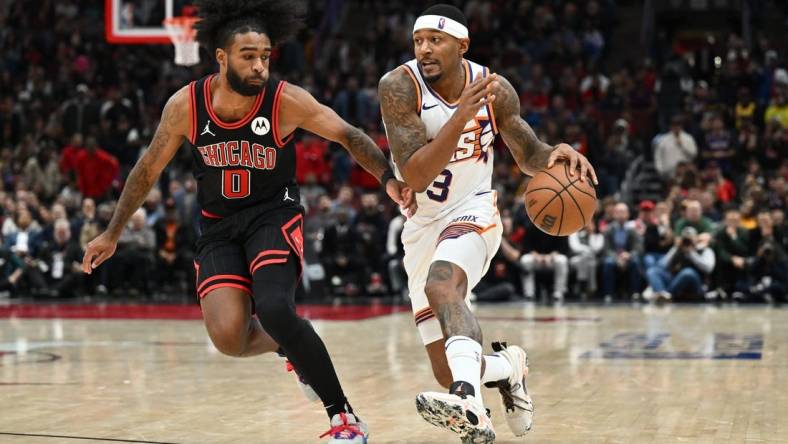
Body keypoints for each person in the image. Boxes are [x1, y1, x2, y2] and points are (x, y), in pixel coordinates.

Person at [82, 0, 415, 441]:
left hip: (272, 215)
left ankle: (345, 419)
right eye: (248, 56)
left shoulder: (285, 101)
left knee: (276, 308)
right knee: (229, 339)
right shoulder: (186, 105)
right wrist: (112, 232)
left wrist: (388, 179)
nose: (260, 66)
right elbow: (147, 169)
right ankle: (289, 343)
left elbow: (348, 135)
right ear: (221, 57)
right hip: (218, 227)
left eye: (265, 56)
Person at [378, 4, 596, 442]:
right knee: (445, 368)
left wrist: (556, 151)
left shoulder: (495, 89)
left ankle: (470, 402)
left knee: (443, 285)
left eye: (435, 41)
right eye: (418, 41)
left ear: (462, 45)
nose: (424, 49)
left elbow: (529, 152)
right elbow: (417, 175)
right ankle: (507, 367)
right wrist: (461, 118)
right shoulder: (399, 86)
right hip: (422, 224)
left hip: (474, 211)